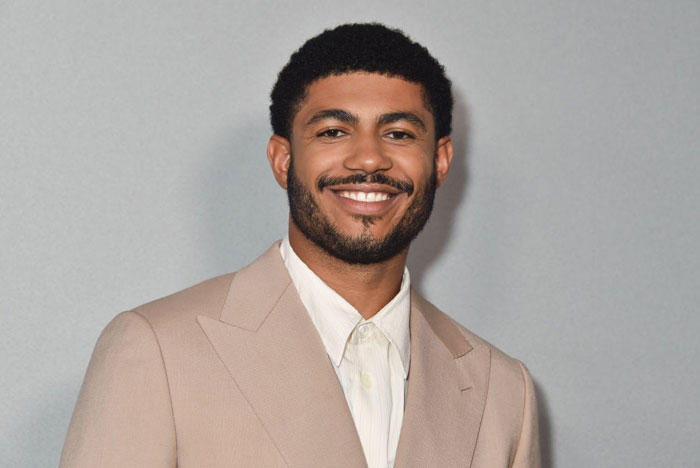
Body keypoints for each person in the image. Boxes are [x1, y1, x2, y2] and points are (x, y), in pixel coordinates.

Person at [60, 23, 541, 468]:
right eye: (334, 131)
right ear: (283, 160)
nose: (369, 157)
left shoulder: (503, 391)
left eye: (398, 133)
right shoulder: (158, 349)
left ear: (439, 161)